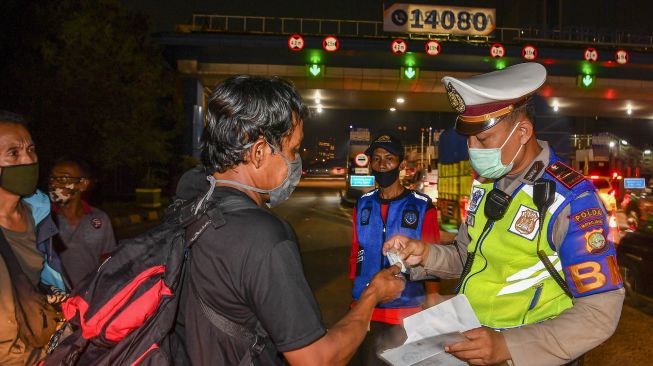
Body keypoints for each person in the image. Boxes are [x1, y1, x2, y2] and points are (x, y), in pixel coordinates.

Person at [383, 63, 624, 366]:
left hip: (528, 355)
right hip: (472, 342)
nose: (473, 149)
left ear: (522, 132)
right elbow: (467, 256)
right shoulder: (486, 186)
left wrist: (509, 345)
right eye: (468, 139)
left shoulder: (571, 200)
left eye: (483, 140)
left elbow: (600, 312)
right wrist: (425, 255)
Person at [176, 75, 405, 365]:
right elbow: (317, 359)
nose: (296, 162)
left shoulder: (189, 204)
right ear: (259, 152)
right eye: (293, 150)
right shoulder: (263, 237)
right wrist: (372, 295)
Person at [350, 134, 442, 364]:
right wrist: (356, 299)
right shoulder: (363, 204)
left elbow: (433, 255)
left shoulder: (421, 206)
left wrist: (431, 297)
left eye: (389, 159)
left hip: (406, 311)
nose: (382, 165)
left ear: (401, 164)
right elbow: (356, 251)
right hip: (366, 308)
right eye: (377, 159)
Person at [0, 110, 68, 365]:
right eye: (14, 153)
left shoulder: (38, 213)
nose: (28, 159)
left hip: (39, 347)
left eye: (31, 149)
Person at [47, 158, 116, 289]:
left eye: (63, 179)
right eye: (52, 179)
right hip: (55, 300)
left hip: (89, 297)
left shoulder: (100, 219)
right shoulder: (43, 219)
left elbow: (108, 262)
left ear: (83, 184)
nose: (54, 184)